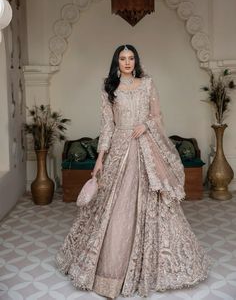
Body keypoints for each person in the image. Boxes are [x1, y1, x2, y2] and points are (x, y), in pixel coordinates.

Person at [56, 44, 211, 299]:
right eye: (122, 58)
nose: (127, 62)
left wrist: (145, 125)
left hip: (144, 148)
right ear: (116, 62)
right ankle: (108, 274)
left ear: (135, 61)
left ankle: (148, 269)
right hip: (118, 148)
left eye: (131, 58)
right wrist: (100, 158)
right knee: (114, 206)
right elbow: (107, 126)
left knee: (151, 201)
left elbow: (158, 116)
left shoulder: (147, 83)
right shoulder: (109, 88)